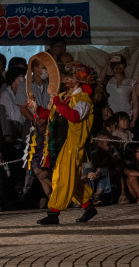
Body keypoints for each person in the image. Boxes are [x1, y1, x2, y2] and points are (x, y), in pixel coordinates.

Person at [33, 62, 98, 224]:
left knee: (62, 178)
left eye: (70, 77)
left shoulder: (83, 99)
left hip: (73, 145)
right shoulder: (63, 96)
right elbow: (50, 114)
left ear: (79, 80)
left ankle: (53, 213)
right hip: (61, 144)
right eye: (66, 77)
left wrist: (57, 102)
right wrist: (36, 108)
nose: (66, 80)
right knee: (70, 179)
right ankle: (88, 206)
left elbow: (74, 116)